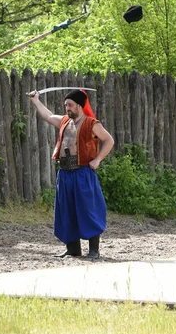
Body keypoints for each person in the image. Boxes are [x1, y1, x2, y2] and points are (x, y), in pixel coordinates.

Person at [29, 88, 114, 259]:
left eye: (70, 105)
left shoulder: (92, 124)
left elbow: (109, 140)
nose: (67, 108)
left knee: (88, 210)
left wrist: (97, 160)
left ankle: (94, 251)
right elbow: (48, 116)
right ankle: (73, 249)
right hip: (65, 173)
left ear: (79, 106)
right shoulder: (64, 121)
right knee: (67, 211)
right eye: (66, 105)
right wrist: (36, 101)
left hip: (83, 173)